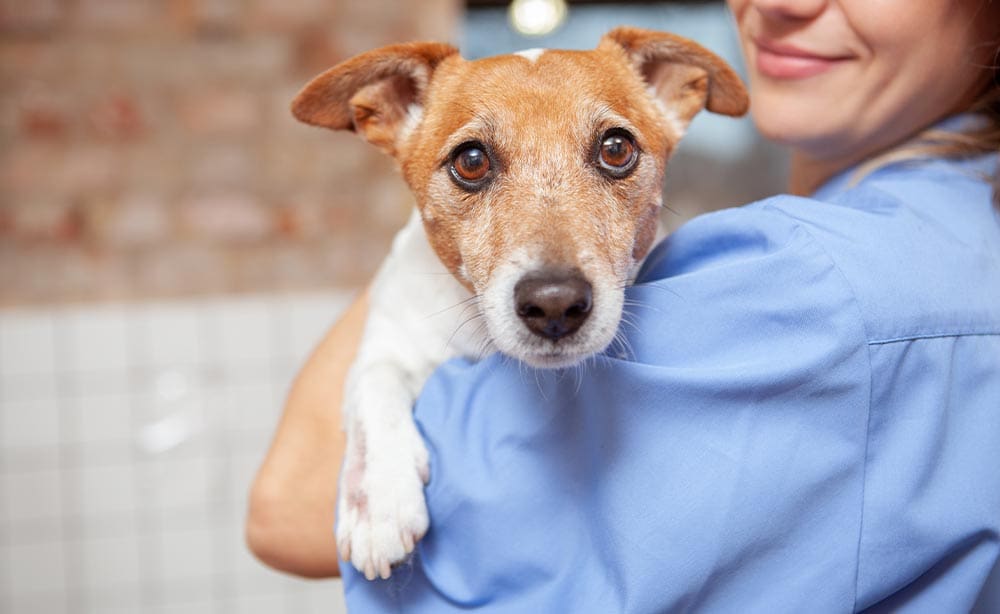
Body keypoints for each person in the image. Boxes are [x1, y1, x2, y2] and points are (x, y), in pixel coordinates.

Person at [247, 0, 1000, 611]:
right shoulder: (954, 230)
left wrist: (441, 197)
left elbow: (289, 508)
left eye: (612, 152)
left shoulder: (811, 286)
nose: (781, 2)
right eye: (475, 161)